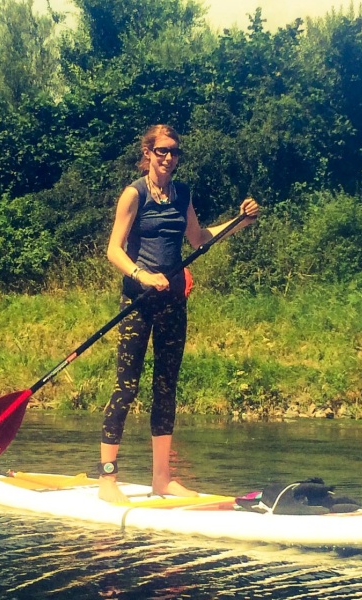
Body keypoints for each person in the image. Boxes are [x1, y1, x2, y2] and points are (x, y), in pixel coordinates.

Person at [98, 124, 259, 504]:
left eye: (174, 152)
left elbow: (199, 239)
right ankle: (108, 480)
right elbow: (113, 250)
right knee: (127, 386)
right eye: (162, 151)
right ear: (148, 153)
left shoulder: (181, 193)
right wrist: (142, 275)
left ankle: (162, 480)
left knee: (166, 388)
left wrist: (240, 222)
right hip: (138, 302)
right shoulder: (133, 194)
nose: (169, 158)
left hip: (173, 303)